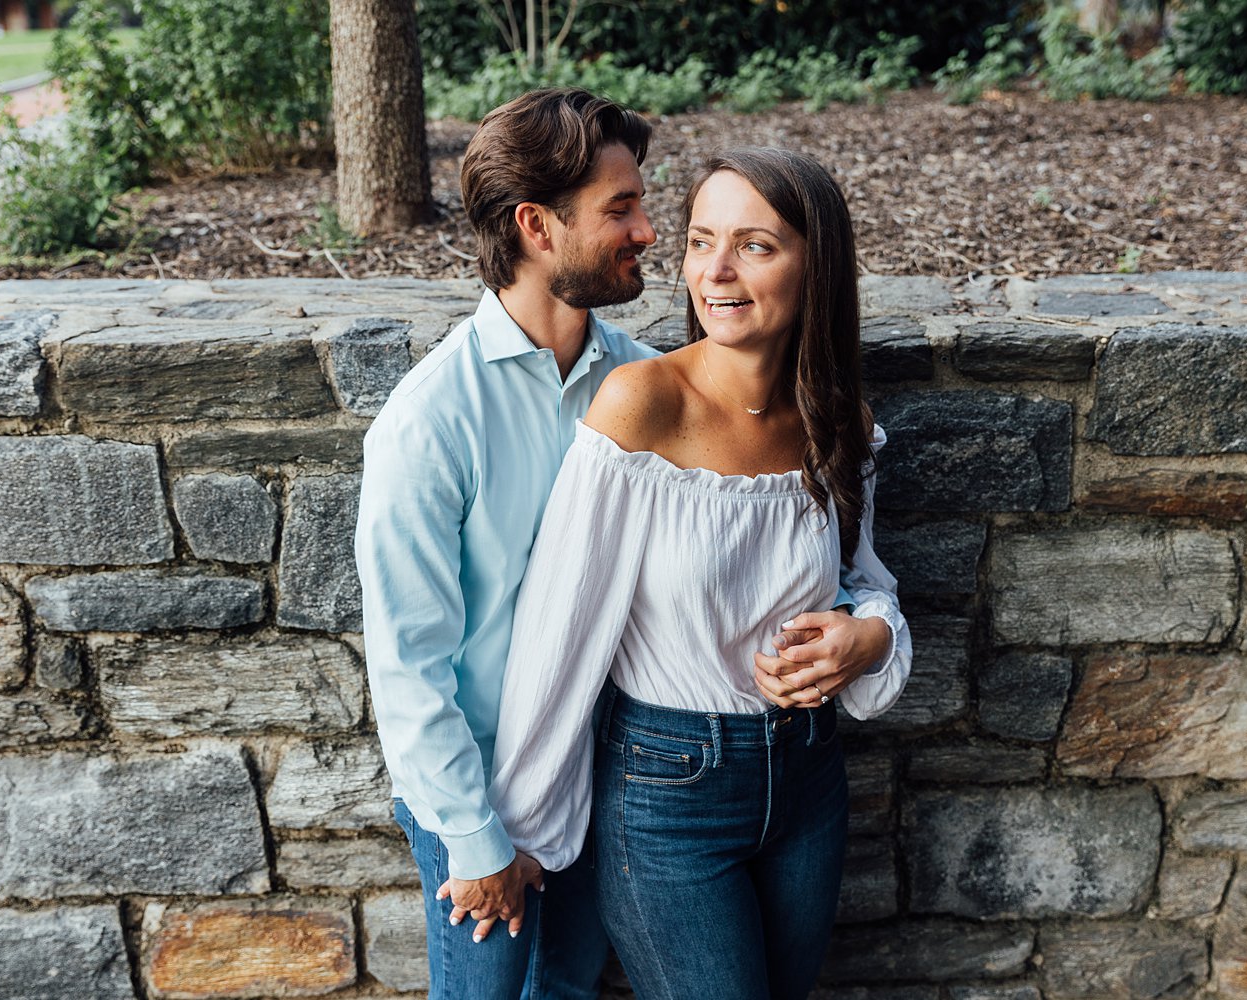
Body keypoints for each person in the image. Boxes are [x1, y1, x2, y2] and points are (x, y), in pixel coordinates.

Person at [356, 89, 902, 1000]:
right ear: (538, 226)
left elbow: (836, 569)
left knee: (569, 990)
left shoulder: (635, 376)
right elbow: (410, 661)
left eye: (652, 210)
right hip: (483, 781)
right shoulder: (432, 420)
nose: (653, 233)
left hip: (612, 757)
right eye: (625, 209)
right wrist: (484, 833)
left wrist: (870, 632)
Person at [487, 147, 912, 1000]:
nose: (714, 270)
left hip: (809, 783)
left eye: (755, 245)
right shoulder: (640, 404)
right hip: (666, 791)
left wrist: (868, 639)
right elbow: (561, 630)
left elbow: (865, 579)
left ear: (814, 264)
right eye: (700, 240)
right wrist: (517, 828)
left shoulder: (839, 421)